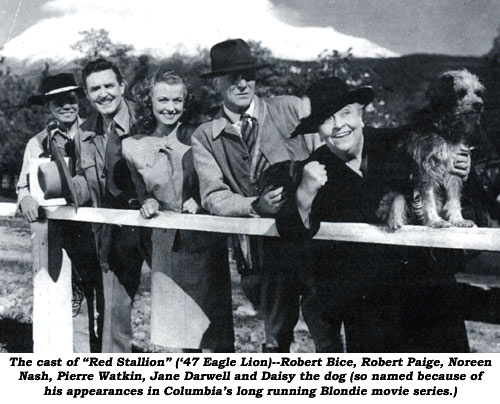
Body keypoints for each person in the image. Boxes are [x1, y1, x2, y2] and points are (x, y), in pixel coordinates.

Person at [276, 76, 471, 352]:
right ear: (318, 130)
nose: (339, 125)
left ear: (361, 114)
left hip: (432, 302)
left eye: (345, 113)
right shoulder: (316, 167)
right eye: (327, 119)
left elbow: (455, 166)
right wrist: (304, 194)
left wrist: (464, 163)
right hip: (372, 316)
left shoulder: (402, 142)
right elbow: (289, 231)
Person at [192, 38, 330, 352]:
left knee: (324, 329)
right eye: (231, 78)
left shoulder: (291, 109)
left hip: (312, 242)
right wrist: (255, 205)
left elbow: (325, 162)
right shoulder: (205, 135)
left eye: (249, 75)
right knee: (275, 335)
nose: (242, 84)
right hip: (258, 252)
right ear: (216, 84)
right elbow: (214, 196)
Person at [122, 68, 234, 352]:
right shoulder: (132, 147)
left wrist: (200, 197)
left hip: (205, 246)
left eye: (177, 100)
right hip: (166, 247)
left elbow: (218, 181)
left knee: (212, 335)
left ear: (186, 102)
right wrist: (147, 201)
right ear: (150, 101)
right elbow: (141, 191)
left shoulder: (201, 136)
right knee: (179, 335)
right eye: (163, 100)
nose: (170, 108)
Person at [40, 59, 147, 352]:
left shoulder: (148, 120)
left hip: (161, 229)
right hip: (116, 236)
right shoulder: (85, 133)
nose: (104, 94)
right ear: (87, 95)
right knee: (113, 315)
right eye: (95, 88)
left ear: (122, 86)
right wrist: (56, 182)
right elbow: (86, 185)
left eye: (109, 85)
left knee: (186, 311)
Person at [17, 73, 102, 352]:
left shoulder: (94, 135)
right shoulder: (39, 143)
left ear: (80, 101)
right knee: (65, 297)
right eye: (57, 102)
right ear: (48, 106)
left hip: (94, 230)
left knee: (100, 298)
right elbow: (23, 186)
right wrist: (26, 198)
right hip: (57, 234)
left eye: (71, 99)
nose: (66, 106)